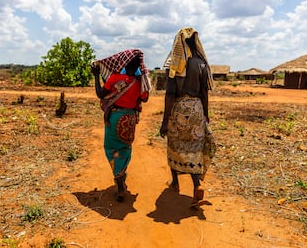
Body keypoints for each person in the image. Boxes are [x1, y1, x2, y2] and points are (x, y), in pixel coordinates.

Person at [159, 27, 215, 207]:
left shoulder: (175, 63)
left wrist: (164, 121)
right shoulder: (201, 63)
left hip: (179, 110)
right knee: (195, 150)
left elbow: (169, 95)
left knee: (175, 146)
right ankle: (197, 185)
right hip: (197, 109)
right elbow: (205, 92)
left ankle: (175, 182)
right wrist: (205, 115)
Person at [91, 49, 151, 202]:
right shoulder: (138, 83)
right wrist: (143, 77)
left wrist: (96, 76)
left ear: (123, 62)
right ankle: (122, 175)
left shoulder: (115, 78)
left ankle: (120, 186)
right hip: (130, 119)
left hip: (115, 118)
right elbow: (144, 99)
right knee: (125, 148)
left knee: (111, 148)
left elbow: (100, 94)